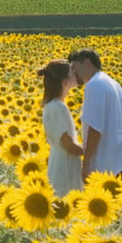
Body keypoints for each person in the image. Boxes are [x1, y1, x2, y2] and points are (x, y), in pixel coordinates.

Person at [67, 48, 122, 179]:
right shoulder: (113, 83)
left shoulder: (94, 84)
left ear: (87, 62)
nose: (73, 73)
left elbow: (95, 128)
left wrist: (86, 163)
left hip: (109, 165)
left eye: (74, 67)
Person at [37, 59, 84, 197]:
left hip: (59, 162)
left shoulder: (51, 106)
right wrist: (93, 151)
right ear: (65, 82)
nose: (76, 74)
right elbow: (68, 146)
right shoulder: (58, 107)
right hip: (65, 166)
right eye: (72, 73)